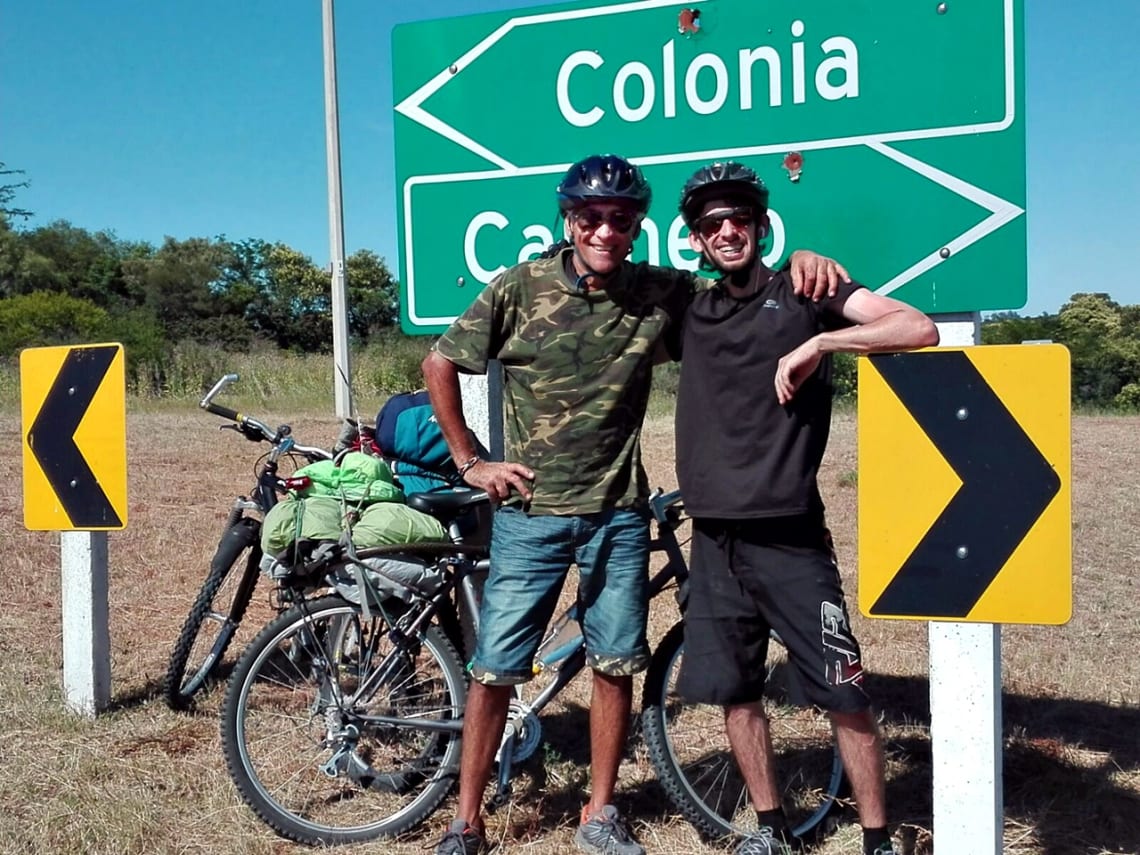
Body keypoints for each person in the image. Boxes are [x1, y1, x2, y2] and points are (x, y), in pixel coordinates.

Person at [422, 153, 845, 855]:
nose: (605, 231)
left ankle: (600, 811)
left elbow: (742, 290)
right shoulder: (520, 288)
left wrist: (803, 256)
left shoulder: (660, 293)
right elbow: (441, 361)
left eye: (620, 220)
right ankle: (465, 822)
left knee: (615, 663)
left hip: (619, 512)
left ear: (638, 226)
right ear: (568, 219)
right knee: (495, 667)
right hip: (533, 513)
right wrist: (471, 460)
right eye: (591, 217)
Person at [671, 161, 939, 855]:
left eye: (739, 219)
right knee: (738, 692)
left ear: (761, 226)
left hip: (790, 538)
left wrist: (821, 341)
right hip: (716, 538)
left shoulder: (803, 289)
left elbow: (916, 328)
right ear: (696, 240)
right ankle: (770, 828)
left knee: (845, 693)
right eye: (711, 224)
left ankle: (877, 837)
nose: (726, 231)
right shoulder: (690, 310)